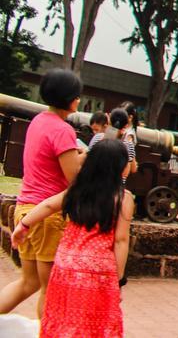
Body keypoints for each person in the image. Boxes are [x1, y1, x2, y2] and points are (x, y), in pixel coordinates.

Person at [12, 139, 135, 338]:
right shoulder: (123, 198)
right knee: (94, 321)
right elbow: (121, 241)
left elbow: (48, 205)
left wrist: (24, 225)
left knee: (65, 316)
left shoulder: (78, 191)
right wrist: (118, 280)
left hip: (66, 266)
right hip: (98, 270)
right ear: (119, 167)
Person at [0, 69, 85, 317]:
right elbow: (73, 178)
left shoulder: (38, 121)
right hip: (47, 216)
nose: (79, 100)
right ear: (70, 99)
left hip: (26, 209)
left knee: (29, 282)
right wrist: (89, 159)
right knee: (50, 289)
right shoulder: (63, 130)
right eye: (77, 96)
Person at [89, 109, 137, 179]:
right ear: (126, 126)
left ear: (109, 120)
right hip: (115, 188)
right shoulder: (128, 145)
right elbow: (125, 173)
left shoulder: (98, 137)